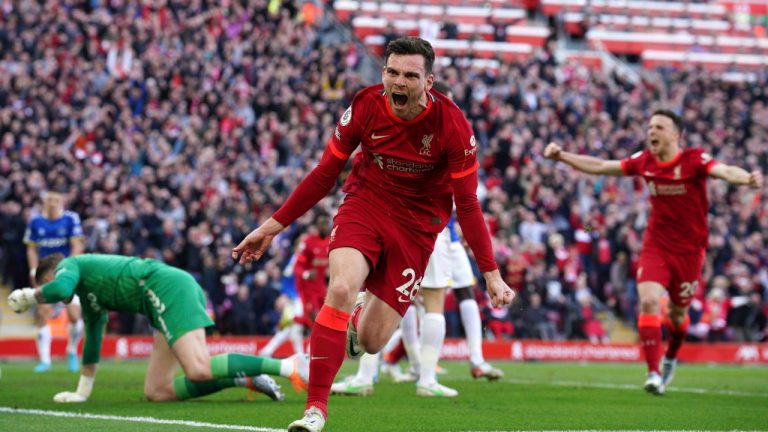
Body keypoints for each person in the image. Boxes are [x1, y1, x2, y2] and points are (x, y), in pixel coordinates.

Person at [232, 36, 515, 432]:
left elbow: (467, 206)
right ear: (383, 72)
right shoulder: (365, 105)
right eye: (392, 73)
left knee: (372, 341)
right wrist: (271, 227)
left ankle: (362, 321)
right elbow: (324, 174)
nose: (399, 82)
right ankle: (316, 410)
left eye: (410, 76)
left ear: (428, 82)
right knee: (342, 289)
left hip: (417, 229)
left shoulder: (452, 125)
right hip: (366, 205)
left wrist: (491, 273)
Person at [543, 109, 763, 395]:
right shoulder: (643, 161)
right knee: (648, 302)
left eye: (659, 127)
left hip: (689, 251)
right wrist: (562, 156)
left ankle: (670, 356)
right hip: (656, 245)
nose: (651, 132)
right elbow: (600, 166)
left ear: (676, 134)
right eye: (649, 127)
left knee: (676, 316)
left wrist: (746, 179)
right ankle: (653, 372)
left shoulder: (693, 160)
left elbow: (724, 171)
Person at [331, 81, 503, 398]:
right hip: (427, 232)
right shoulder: (442, 130)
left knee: (396, 299)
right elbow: (465, 201)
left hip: (433, 233)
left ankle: (380, 373)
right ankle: (422, 376)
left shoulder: (443, 128)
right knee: (424, 302)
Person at [8, 253, 308, 403]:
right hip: (159, 298)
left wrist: (30, 296)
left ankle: (286, 365)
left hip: (164, 288)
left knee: (198, 368)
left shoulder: (70, 265)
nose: (49, 294)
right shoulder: (88, 295)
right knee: (157, 391)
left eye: (43, 284)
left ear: (49, 274)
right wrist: (82, 393)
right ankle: (247, 380)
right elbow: (94, 339)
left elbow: (59, 288)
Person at [23, 190, 85, 373]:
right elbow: (31, 249)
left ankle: (72, 351)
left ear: (62, 201)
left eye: (56, 199)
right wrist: (34, 270)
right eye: (49, 199)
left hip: (65, 273)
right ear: (44, 201)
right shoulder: (35, 221)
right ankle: (45, 360)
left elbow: (77, 245)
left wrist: (71, 269)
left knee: (74, 314)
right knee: (43, 313)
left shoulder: (71, 219)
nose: (52, 203)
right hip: (44, 275)